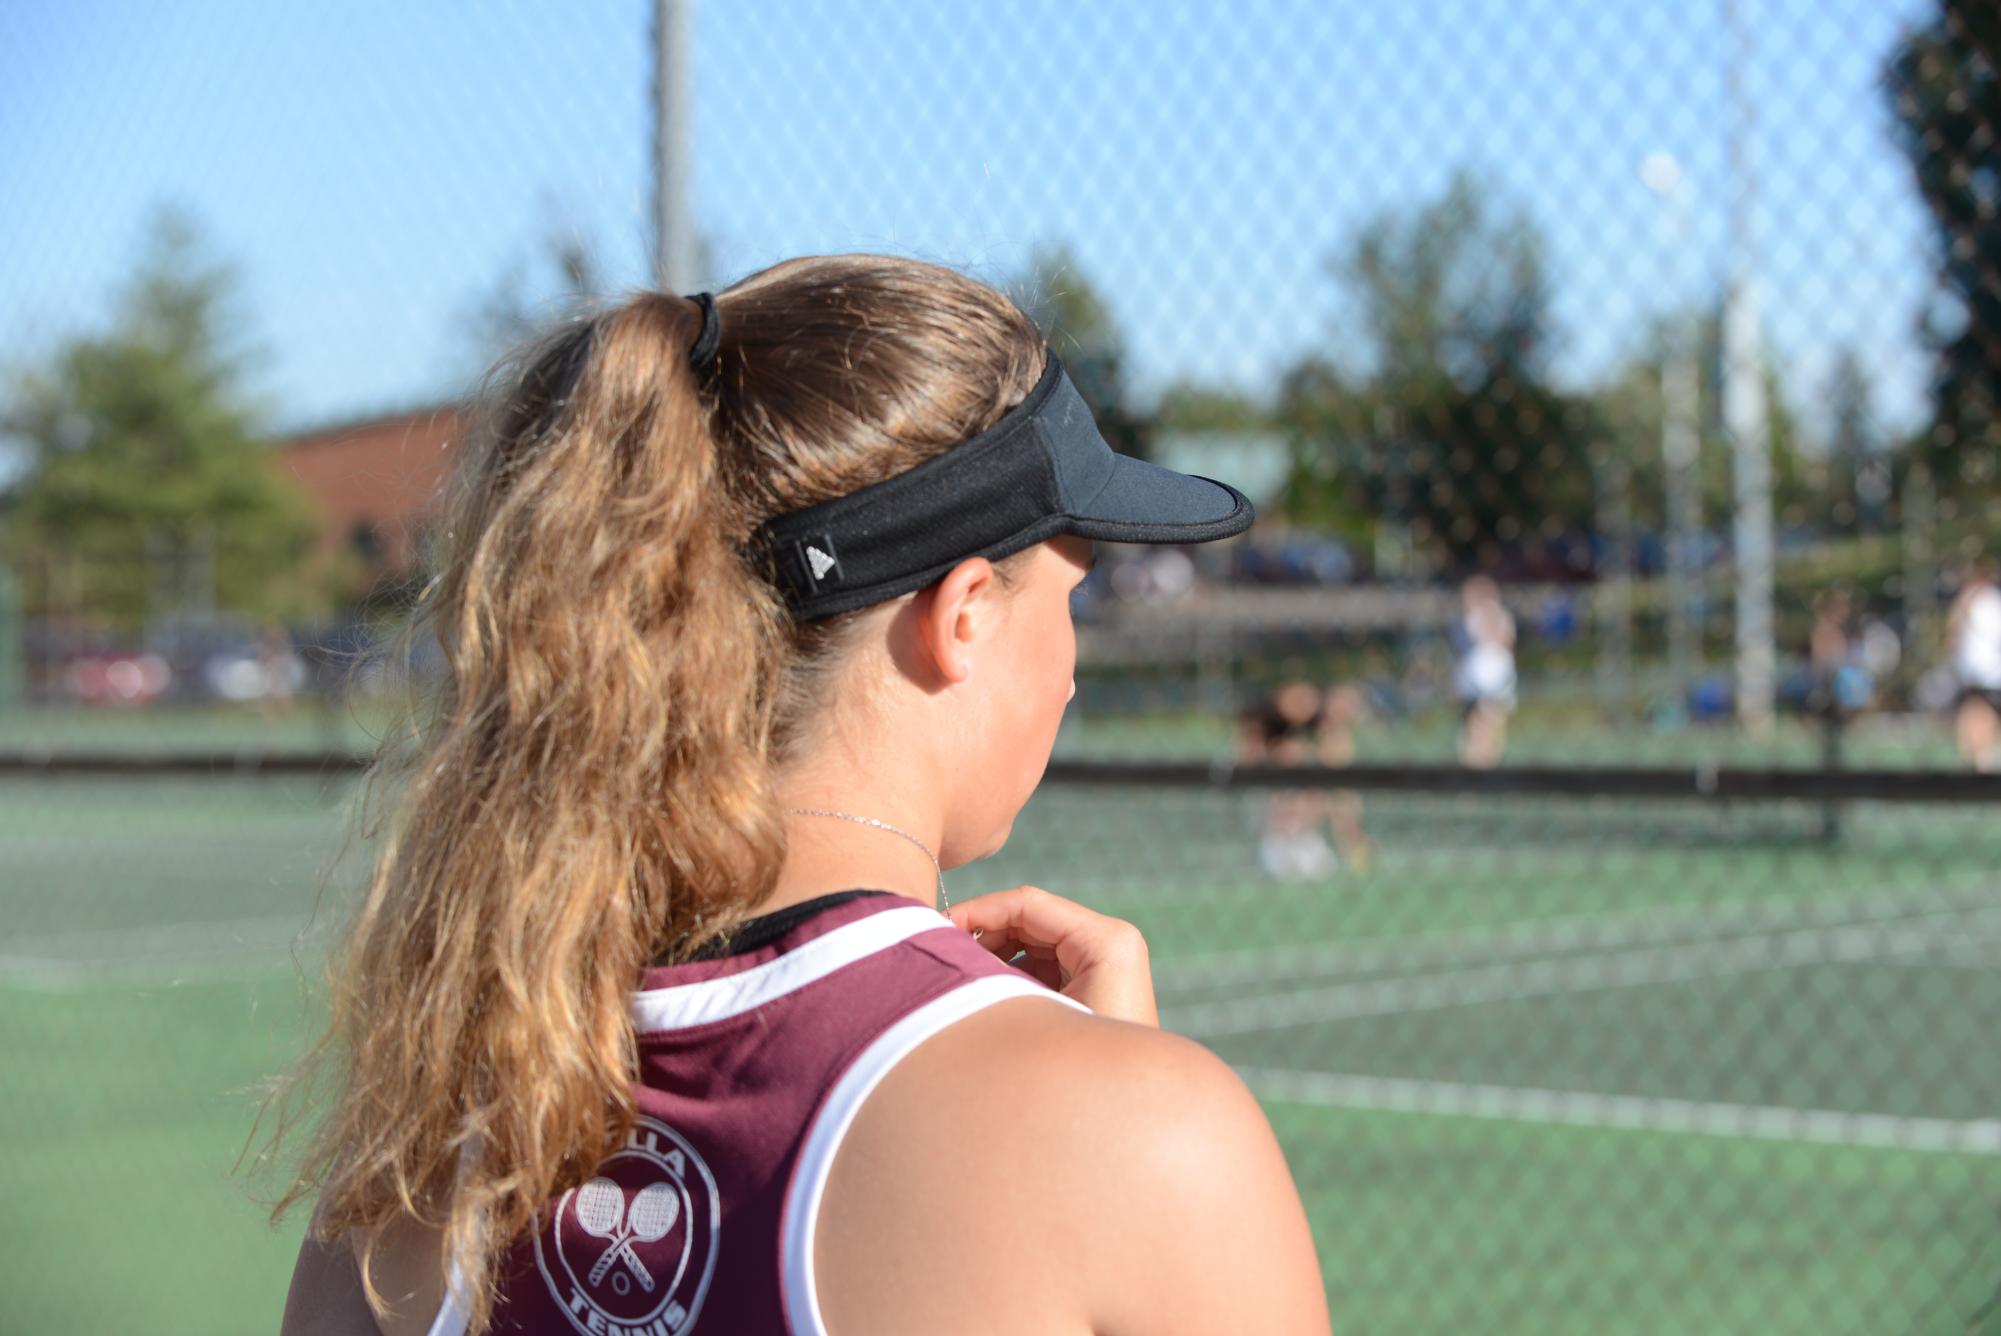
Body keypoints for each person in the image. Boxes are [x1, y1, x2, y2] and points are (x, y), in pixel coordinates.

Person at [270, 257, 1332, 1336]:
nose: (1069, 670)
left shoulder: (417, 1157)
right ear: (963, 614)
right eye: (1071, 600)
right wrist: (1115, 1106)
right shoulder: (1144, 1139)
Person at [1238, 678, 1372, 878]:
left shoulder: (1326, 734)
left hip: (1306, 837)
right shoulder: (1265, 729)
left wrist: (1351, 837)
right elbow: (1247, 762)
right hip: (1274, 836)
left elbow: (1340, 792)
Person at [1453, 575, 1516, 769]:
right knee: (1477, 725)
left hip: (1494, 676)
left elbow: (1504, 640)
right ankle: (1476, 762)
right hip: (1479, 678)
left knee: (1492, 725)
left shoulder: (1495, 616)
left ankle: (1486, 762)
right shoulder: (1472, 618)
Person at [1947, 558, 2001, 772]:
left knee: (1979, 716)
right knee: (1977, 716)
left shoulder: (1985, 601)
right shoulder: (1978, 600)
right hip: (1982, 675)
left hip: (1985, 675)